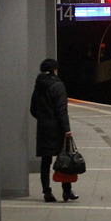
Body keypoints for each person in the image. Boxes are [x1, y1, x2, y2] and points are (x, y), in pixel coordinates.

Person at [29, 58, 78, 202]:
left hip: (43, 127)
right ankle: (66, 191)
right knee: (64, 159)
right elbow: (62, 110)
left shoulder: (38, 86)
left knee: (45, 161)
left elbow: (33, 109)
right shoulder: (58, 85)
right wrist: (67, 129)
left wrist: (43, 118)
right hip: (57, 127)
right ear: (54, 70)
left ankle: (47, 192)